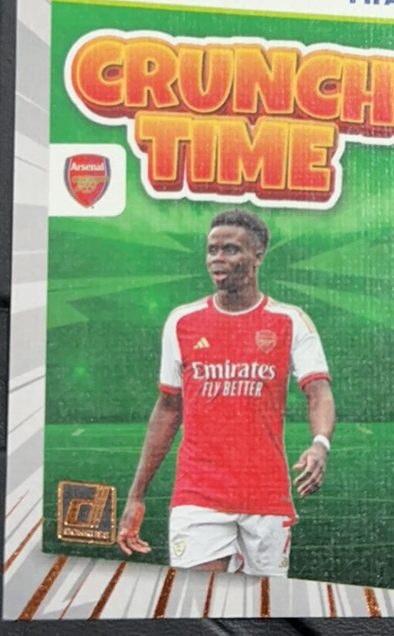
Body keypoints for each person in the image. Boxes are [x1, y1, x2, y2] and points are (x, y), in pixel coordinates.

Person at [117, 208, 335, 577]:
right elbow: (168, 408)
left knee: (262, 606)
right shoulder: (182, 322)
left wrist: (320, 444)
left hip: (266, 497)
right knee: (199, 600)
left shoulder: (290, 321)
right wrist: (136, 495)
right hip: (197, 495)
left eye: (231, 249)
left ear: (257, 256)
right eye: (212, 250)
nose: (217, 258)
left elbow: (319, 393)